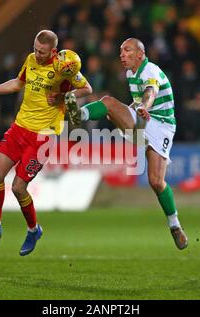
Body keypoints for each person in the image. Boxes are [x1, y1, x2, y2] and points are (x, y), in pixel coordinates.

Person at [0, 30, 92, 256]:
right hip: (20, 128)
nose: (37, 53)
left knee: (18, 187)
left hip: (43, 136)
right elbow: (17, 83)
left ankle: (33, 230)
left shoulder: (64, 67)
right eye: (35, 48)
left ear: (53, 51)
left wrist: (64, 96)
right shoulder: (31, 60)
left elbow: (87, 88)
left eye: (42, 51)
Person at [65, 38, 188, 250]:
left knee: (156, 182)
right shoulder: (132, 74)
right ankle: (81, 114)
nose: (122, 54)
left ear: (140, 54)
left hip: (162, 126)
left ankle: (175, 225)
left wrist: (143, 107)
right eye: (121, 51)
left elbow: (150, 92)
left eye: (127, 50)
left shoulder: (149, 70)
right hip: (144, 120)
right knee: (109, 103)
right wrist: (130, 110)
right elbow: (140, 99)